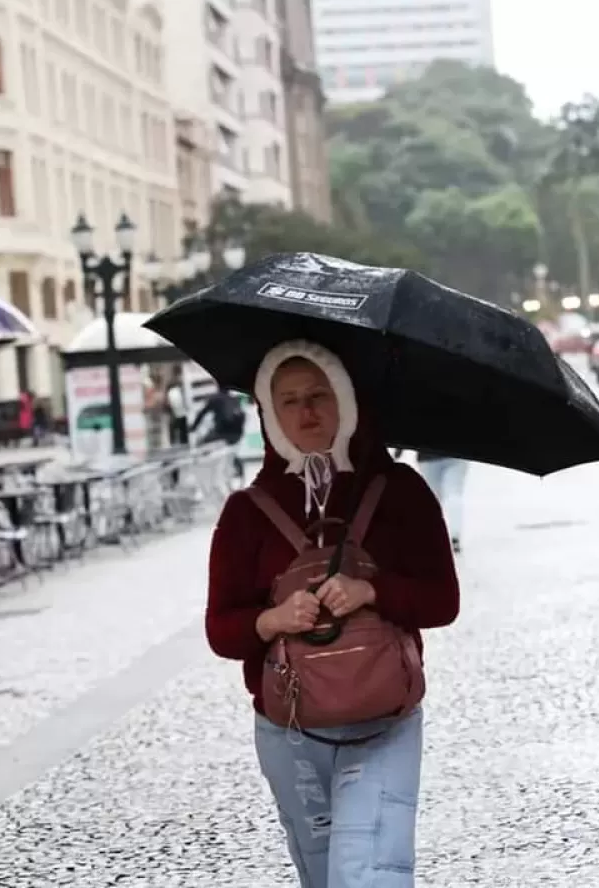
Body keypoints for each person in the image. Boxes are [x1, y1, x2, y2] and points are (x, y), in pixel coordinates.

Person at [206, 339, 459, 887]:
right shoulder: (245, 513)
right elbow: (221, 630)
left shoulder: (401, 492)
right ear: (269, 414)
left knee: (367, 874)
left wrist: (373, 592)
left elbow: (443, 601)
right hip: (290, 735)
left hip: (383, 722)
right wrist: (272, 620)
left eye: (320, 393)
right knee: (323, 877)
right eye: (290, 400)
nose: (307, 412)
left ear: (348, 399)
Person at [415, 453, 468, 554]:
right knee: (453, 493)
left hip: (427, 454)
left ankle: (433, 537)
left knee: (432, 498)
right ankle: (454, 535)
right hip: (457, 452)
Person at [165, 376, 189, 446]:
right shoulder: (178, 390)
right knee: (183, 430)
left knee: (175, 429)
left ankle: (175, 442)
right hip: (183, 413)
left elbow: (169, 405)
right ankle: (184, 441)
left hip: (176, 414)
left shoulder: (170, 392)